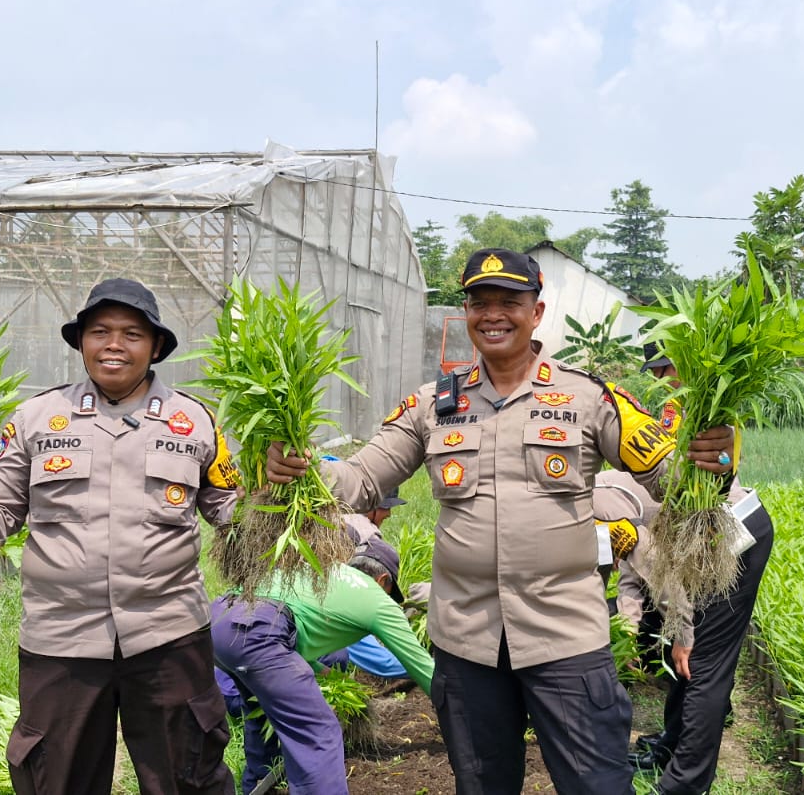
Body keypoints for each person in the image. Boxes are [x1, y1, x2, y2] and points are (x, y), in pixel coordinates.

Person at [264, 248, 738, 795]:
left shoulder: (589, 397)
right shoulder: (433, 404)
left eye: (509, 302)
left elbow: (672, 479)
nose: (493, 314)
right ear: (465, 313)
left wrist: (717, 460)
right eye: (479, 302)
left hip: (565, 639)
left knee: (597, 786)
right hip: (467, 642)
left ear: (536, 312)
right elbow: (361, 478)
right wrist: (298, 468)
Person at [0, 278, 238, 795]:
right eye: (100, 332)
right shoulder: (34, 420)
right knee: (56, 779)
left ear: (156, 346)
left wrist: (283, 491)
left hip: (168, 634)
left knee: (189, 777)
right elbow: (1, 509)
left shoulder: (197, 422)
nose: (114, 344)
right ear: (81, 342)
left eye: (132, 334)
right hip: (61, 637)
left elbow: (231, 512)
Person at [614, 343, 776, 795]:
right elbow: (638, 569)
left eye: (668, 368)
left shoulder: (693, 418)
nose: (664, 379)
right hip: (691, 545)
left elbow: (648, 563)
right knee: (681, 657)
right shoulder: (658, 429)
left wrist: (682, 631)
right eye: (660, 372)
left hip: (729, 539)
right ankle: (671, 746)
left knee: (703, 662)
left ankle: (685, 784)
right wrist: (636, 630)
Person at [211, 536, 434, 795]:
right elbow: (423, 669)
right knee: (320, 734)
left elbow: (286, 620)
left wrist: (316, 669)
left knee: (261, 711)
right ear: (383, 580)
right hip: (256, 634)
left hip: (221, 619)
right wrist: (458, 703)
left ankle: (258, 786)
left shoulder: (323, 571)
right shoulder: (377, 600)